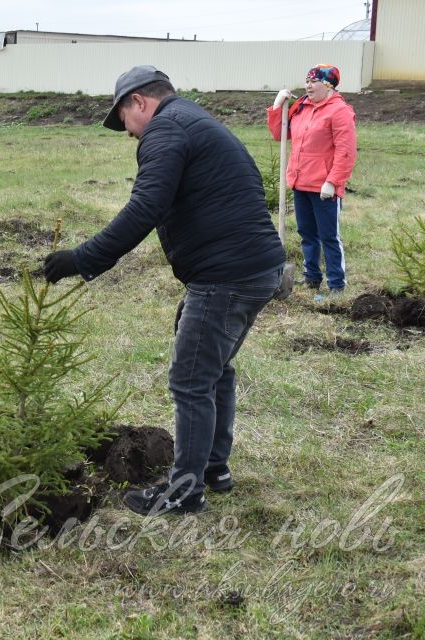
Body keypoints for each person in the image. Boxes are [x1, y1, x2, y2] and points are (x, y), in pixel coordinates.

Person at [43, 65, 286, 516]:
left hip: (225, 277)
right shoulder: (196, 120)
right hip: (257, 269)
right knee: (216, 369)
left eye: (124, 121)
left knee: (191, 380)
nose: (128, 134)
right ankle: (214, 467)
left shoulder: (166, 130)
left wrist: (82, 258)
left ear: (139, 101)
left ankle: (184, 492)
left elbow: (145, 207)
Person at [268, 64, 357, 299]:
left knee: (329, 236)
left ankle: (337, 284)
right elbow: (280, 134)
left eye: (314, 81)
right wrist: (278, 107)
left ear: (328, 85)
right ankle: (312, 278)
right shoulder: (302, 108)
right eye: (307, 81)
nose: (308, 85)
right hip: (300, 181)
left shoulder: (339, 111)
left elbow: (346, 151)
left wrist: (333, 181)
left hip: (324, 187)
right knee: (307, 233)